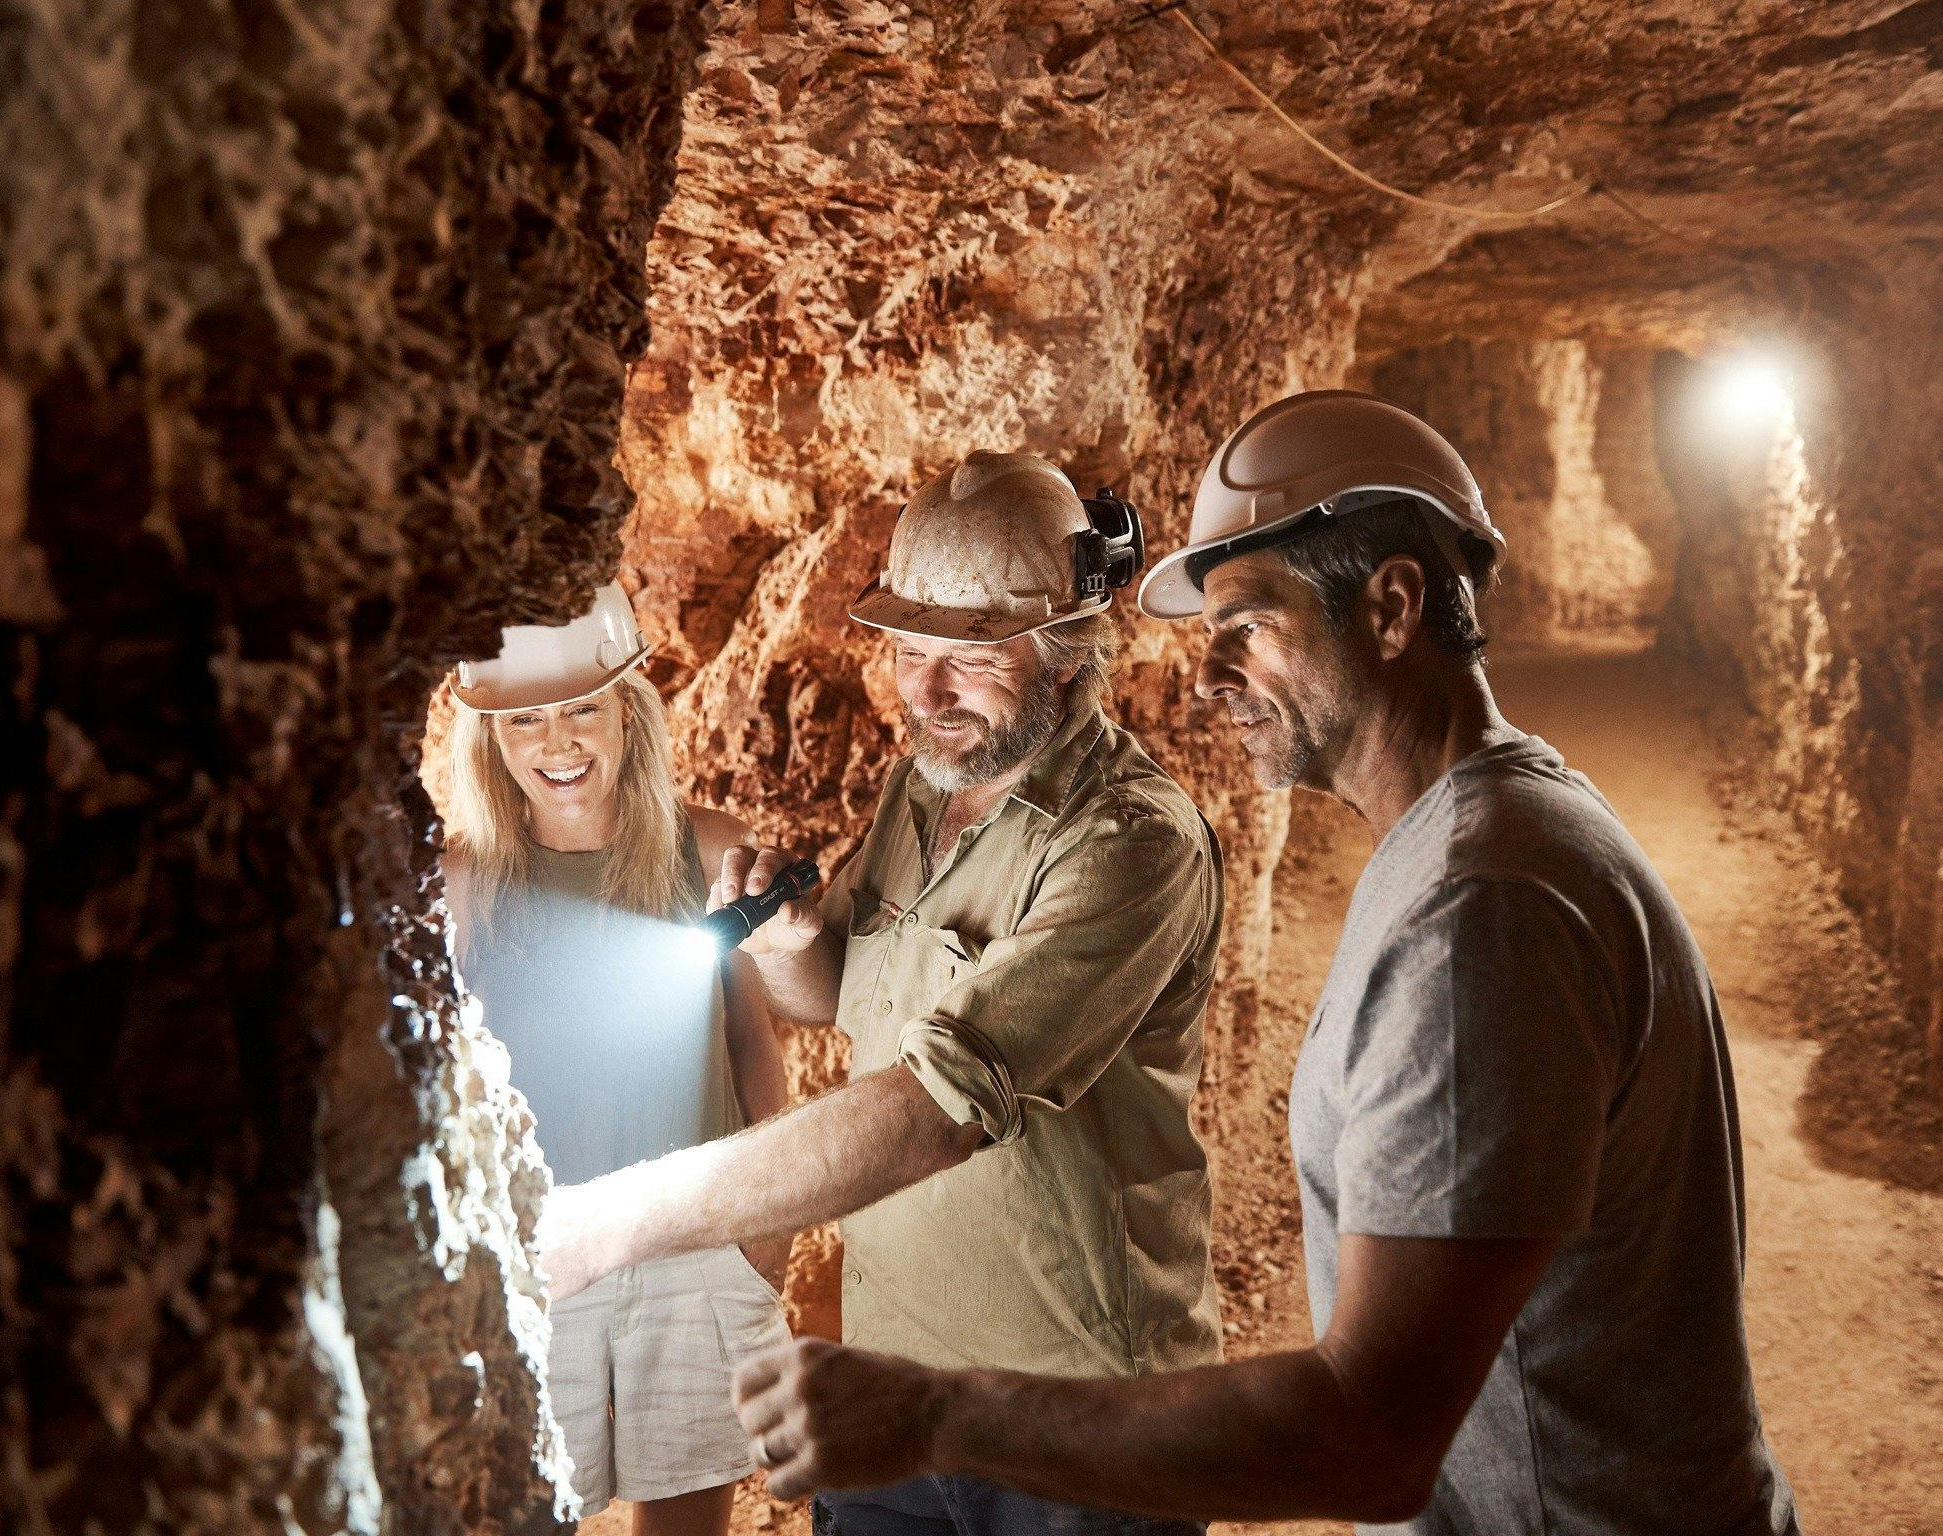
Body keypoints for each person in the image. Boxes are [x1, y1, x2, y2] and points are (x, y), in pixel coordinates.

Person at [732, 393, 1803, 1536]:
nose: (1206, 677)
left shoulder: (1478, 910)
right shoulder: (1464, 847)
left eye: (1246, 624)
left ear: (1389, 607)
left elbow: (1368, 1436)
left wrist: (931, 1415)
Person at [537, 452, 1227, 1536]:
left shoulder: (1130, 844)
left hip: (1076, 1422)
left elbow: (933, 1113)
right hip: (890, 1388)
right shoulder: (925, 788)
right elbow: (830, 997)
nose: (928, 694)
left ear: (1063, 650)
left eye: (972, 659)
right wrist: (791, 938)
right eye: (909, 651)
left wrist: (613, 1222)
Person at [444, 584, 793, 1536]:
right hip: (536, 1254)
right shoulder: (464, 885)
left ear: (628, 714)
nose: (556, 743)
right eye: (524, 720)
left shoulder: (707, 850)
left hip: (695, 1239)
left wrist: (769, 1233)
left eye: (582, 710)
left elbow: (751, 1039)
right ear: (491, 738)